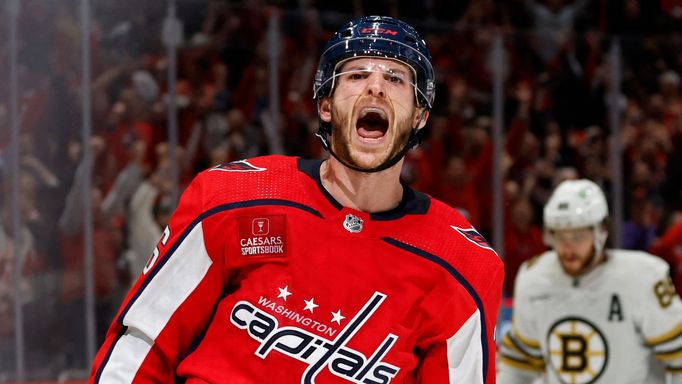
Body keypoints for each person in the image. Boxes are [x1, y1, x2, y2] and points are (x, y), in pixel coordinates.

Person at [91, 16, 503, 383]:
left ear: (419, 116)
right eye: (356, 75)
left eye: (396, 79)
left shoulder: (461, 266)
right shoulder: (234, 198)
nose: (376, 86)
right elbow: (144, 343)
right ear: (326, 104)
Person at [498, 179, 682, 384]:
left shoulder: (643, 278)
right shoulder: (535, 279)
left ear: (600, 232)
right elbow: (518, 364)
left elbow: (678, 355)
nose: (568, 248)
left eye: (577, 237)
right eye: (561, 237)